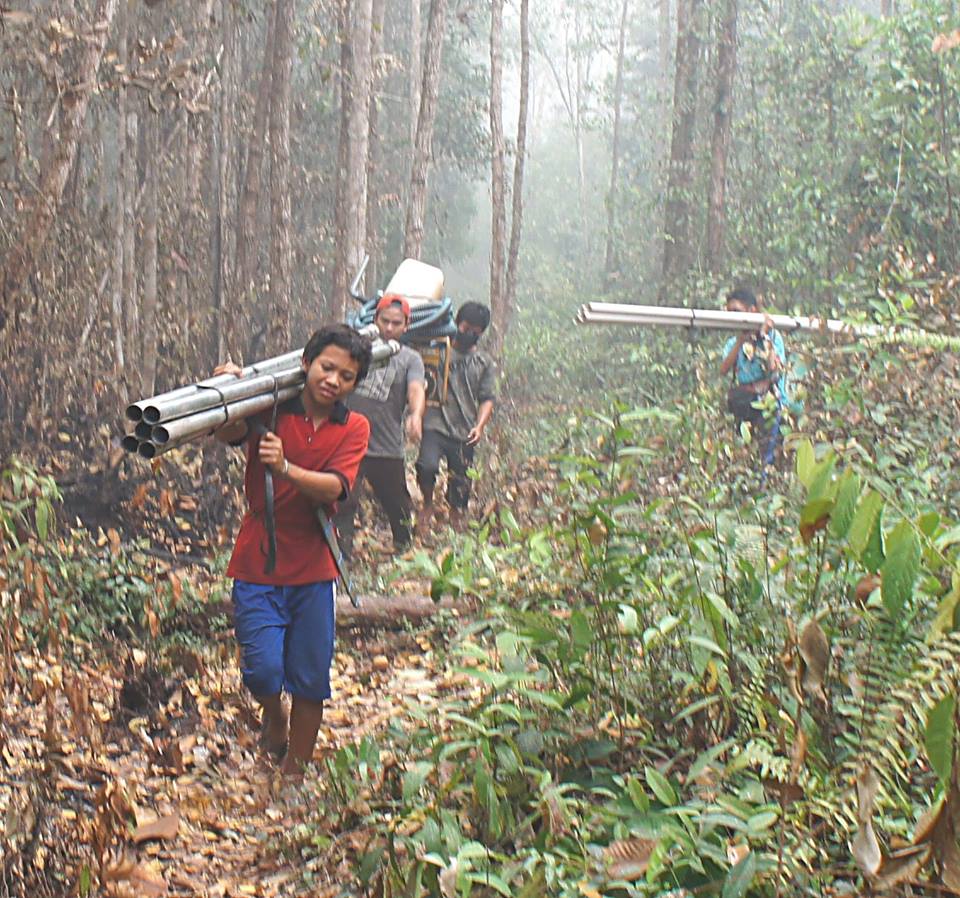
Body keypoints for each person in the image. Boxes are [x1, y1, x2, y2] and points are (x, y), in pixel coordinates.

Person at [213, 324, 372, 778]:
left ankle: (295, 772)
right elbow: (229, 431)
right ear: (307, 363)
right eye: (327, 367)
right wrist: (228, 391)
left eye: (346, 376)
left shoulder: (354, 427)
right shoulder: (270, 407)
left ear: (355, 384)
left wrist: (284, 467)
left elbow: (335, 488)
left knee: (310, 678)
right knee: (261, 671)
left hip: (314, 567)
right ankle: (273, 713)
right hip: (258, 559)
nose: (333, 380)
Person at [333, 293, 426, 558]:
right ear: (375, 319)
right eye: (385, 321)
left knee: (397, 503)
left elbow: (416, 388)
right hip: (348, 442)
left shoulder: (410, 359)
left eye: (396, 323)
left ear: (406, 326)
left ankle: (405, 550)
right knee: (344, 500)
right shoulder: (359, 351)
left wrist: (416, 414)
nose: (389, 328)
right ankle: (341, 557)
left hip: (386, 445)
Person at [415, 301, 496, 533]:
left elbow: (487, 398)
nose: (469, 334)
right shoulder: (437, 351)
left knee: (461, 479)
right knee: (426, 466)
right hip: (434, 423)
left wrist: (479, 426)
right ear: (457, 323)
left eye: (475, 331)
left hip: (465, 428)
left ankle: (456, 515)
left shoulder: (484, 362)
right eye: (466, 328)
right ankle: (427, 504)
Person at [719, 288, 787, 454]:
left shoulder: (773, 338)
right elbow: (723, 369)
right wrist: (740, 342)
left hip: (769, 408)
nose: (733, 317)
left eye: (737, 312)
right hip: (744, 407)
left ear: (751, 310)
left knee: (768, 453)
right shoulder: (733, 343)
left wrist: (764, 336)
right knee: (744, 452)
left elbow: (774, 368)